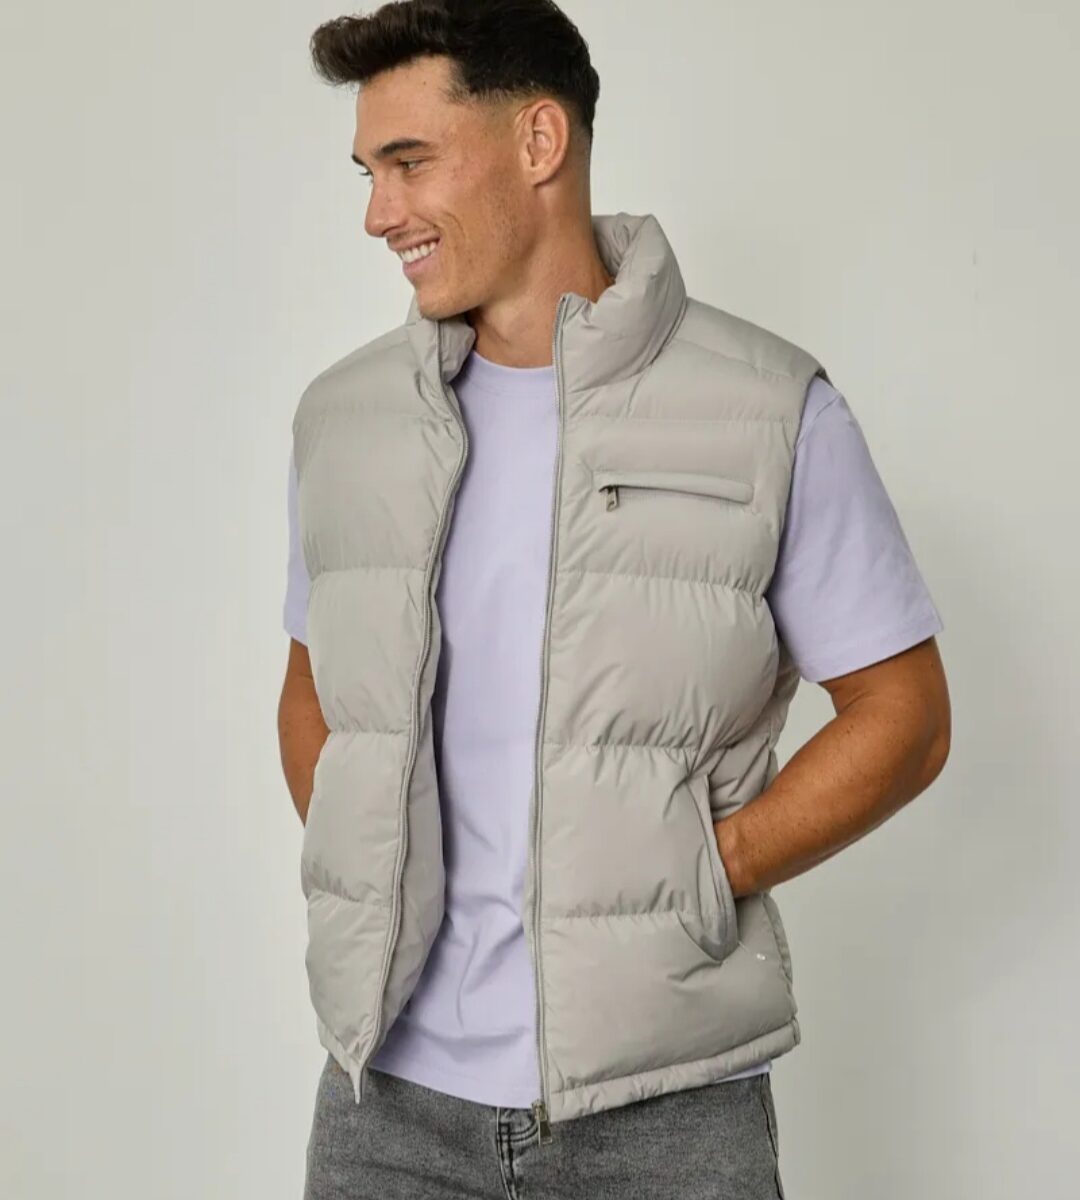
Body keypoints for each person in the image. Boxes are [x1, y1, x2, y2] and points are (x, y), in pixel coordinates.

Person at [276, 2, 952, 1196]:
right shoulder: (348, 419)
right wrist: (376, 867)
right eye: (369, 171)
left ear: (539, 142)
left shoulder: (768, 408)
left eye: (410, 162)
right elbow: (313, 696)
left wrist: (702, 869)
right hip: (387, 1113)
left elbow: (905, 716)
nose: (379, 212)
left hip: (666, 1118)